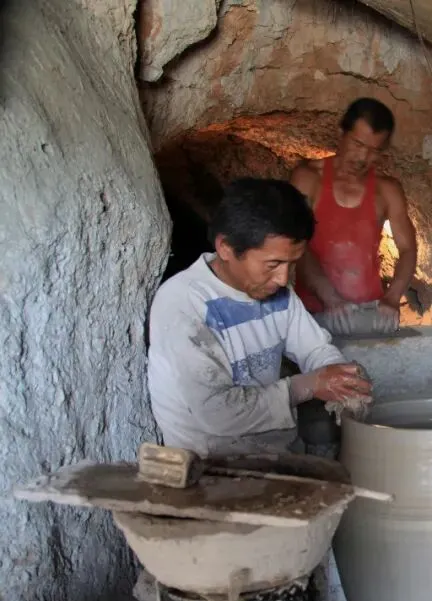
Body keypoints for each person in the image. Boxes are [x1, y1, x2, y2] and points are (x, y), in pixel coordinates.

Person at [147, 177, 371, 456]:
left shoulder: (275, 291)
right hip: (208, 466)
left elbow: (314, 349)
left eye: (292, 263)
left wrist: (341, 376)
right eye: (273, 264)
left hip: (274, 456)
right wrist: (309, 386)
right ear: (226, 248)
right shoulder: (184, 303)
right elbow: (218, 412)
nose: (283, 278)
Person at [291, 97, 417, 334]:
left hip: (369, 311)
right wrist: (329, 297)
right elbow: (297, 243)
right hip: (314, 312)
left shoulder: (387, 190)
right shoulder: (308, 178)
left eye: (373, 151)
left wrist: (392, 297)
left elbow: (408, 248)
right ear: (341, 133)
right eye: (357, 144)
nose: (362, 157)